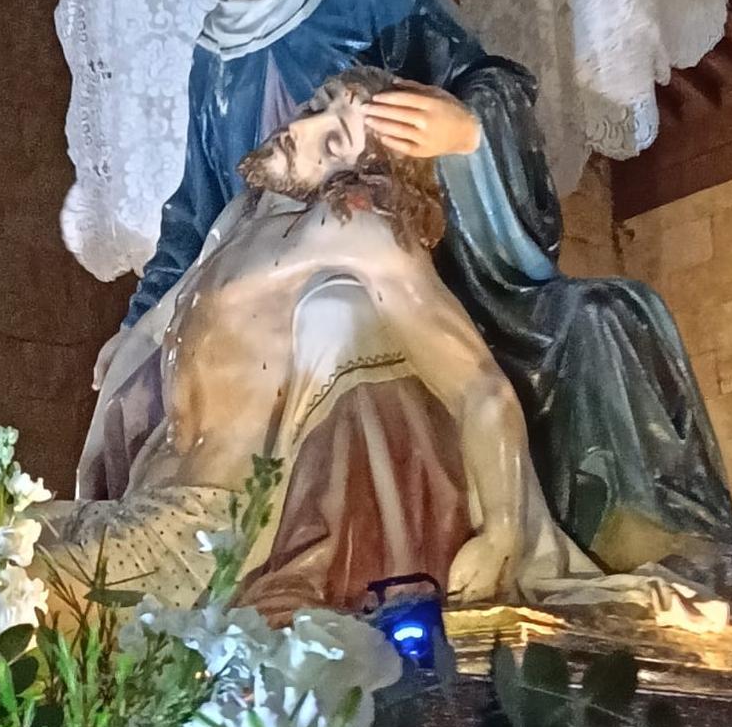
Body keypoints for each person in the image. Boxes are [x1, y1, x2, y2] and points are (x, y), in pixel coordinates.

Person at [88, 0, 732, 583]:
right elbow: (195, 213)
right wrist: (138, 322)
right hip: (254, 285)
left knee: (589, 320)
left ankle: (365, 571)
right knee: (142, 381)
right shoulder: (214, 54)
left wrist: (462, 131)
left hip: (418, 257)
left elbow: (479, 88)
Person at [54, 67, 591, 616]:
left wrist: (502, 529)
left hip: (199, 541)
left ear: (362, 178)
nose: (302, 130)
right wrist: (132, 336)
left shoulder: (352, 230)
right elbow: (164, 315)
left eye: (335, 141)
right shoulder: (240, 218)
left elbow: (480, 387)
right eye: (316, 107)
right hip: (143, 500)